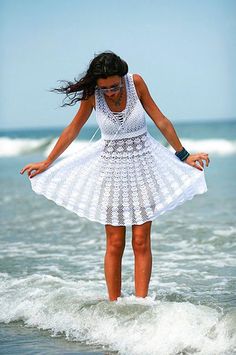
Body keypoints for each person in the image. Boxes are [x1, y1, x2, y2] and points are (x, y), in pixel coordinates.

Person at [20, 51, 210, 301]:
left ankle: (141, 304)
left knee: (141, 240)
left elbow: (161, 120)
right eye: (105, 88)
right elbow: (73, 129)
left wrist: (184, 155)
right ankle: (114, 304)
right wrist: (47, 161)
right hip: (111, 172)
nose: (109, 92)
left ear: (122, 77)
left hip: (144, 168)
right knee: (115, 242)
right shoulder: (92, 95)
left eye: (114, 86)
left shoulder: (136, 83)